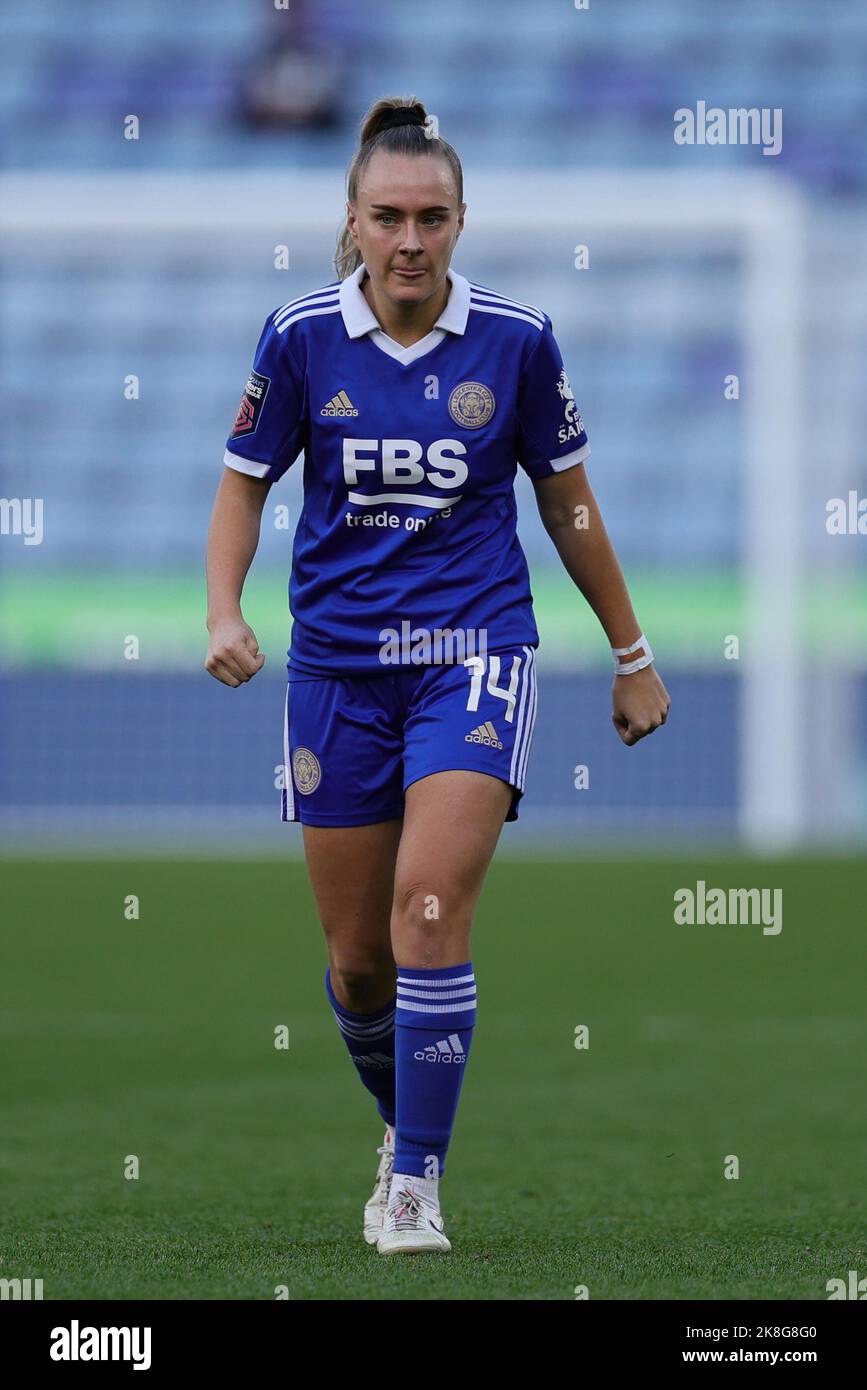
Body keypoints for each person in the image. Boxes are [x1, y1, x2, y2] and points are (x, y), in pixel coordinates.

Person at [205, 95, 670, 1256]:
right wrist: (224, 608)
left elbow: (566, 506)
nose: (410, 241)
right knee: (359, 965)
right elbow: (244, 484)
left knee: (428, 906)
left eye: (432, 219)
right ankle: (402, 1123)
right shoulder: (299, 336)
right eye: (388, 217)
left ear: (463, 223)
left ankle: (414, 1183)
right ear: (352, 221)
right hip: (337, 671)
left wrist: (632, 653)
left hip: (474, 656)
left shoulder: (516, 339)